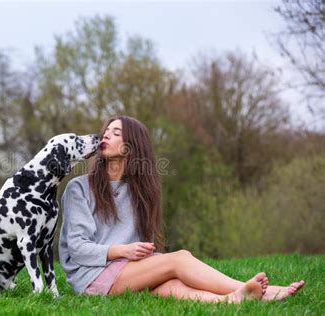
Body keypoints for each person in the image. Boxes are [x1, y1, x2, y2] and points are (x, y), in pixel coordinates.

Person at [58, 115, 305, 302]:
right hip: (92, 277)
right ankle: (257, 290)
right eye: (106, 131)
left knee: (171, 283)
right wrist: (123, 250)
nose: (106, 136)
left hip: (126, 272)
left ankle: (230, 300)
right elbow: (77, 249)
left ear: (131, 147)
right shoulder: (79, 188)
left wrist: (139, 255)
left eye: (115, 132)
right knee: (179, 259)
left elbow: (143, 247)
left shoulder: (140, 192)